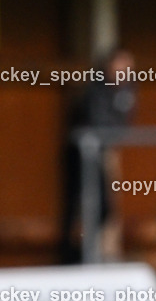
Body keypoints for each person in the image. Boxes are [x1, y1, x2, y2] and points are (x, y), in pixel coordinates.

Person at [58, 49, 136, 263]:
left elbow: (124, 124)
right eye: (121, 66)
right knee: (82, 205)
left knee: (105, 208)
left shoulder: (126, 91)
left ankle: (89, 252)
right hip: (84, 155)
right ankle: (72, 255)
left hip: (105, 153)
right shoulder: (95, 90)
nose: (124, 72)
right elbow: (97, 122)